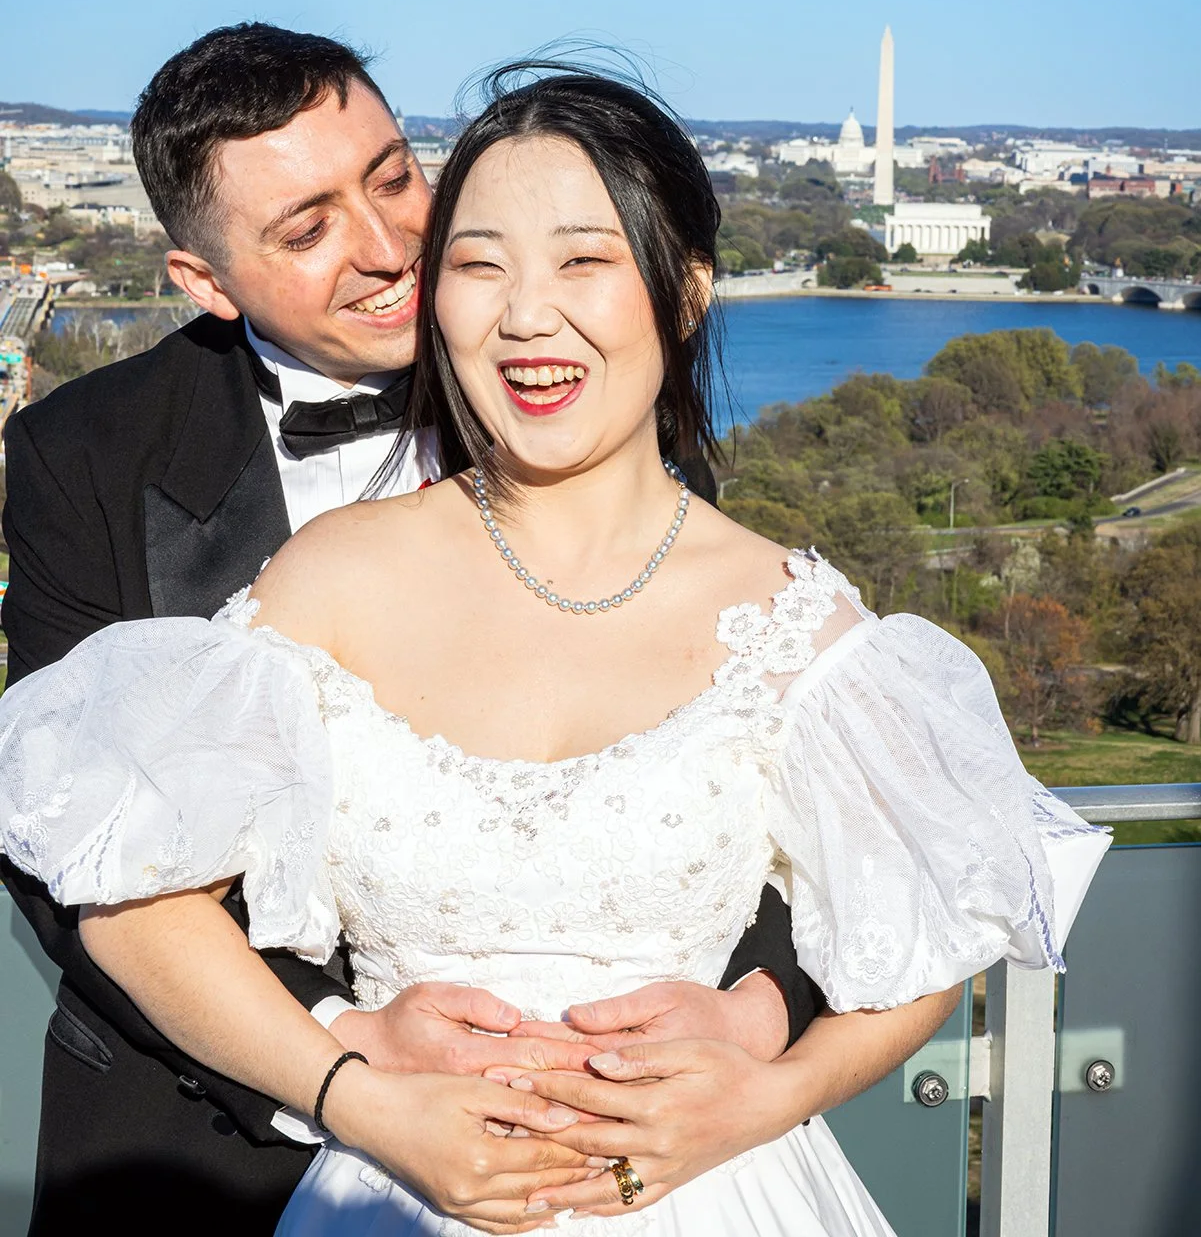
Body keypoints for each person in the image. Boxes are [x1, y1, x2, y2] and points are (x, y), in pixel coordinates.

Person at [0, 64, 1110, 1234]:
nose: (389, 252)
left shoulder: (781, 601)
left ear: (683, 292)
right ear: (202, 276)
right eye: (481, 266)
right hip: (278, 1163)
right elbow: (95, 859)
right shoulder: (258, 542)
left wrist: (769, 1063)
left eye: (396, 183)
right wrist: (352, 1075)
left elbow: (920, 910)